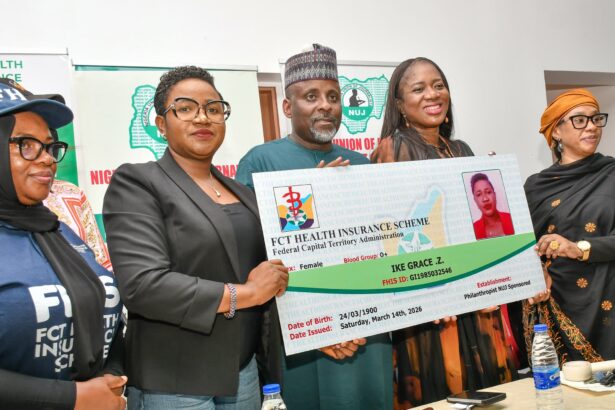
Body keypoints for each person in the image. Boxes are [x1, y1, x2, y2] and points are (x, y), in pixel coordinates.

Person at [103, 66, 289, 409]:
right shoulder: (138, 183)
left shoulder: (242, 192)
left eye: (213, 108)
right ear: (161, 124)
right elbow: (144, 286)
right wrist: (247, 294)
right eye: (185, 108)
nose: (202, 117)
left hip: (243, 372)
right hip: (175, 379)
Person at [236, 44, 393, 410]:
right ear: (287, 107)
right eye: (311, 97)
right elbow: (248, 249)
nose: (325, 106)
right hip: (301, 323)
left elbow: (381, 244)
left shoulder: (360, 164)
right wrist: (313, 196)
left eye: (333, 97)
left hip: (365, 317)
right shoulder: (260, 162)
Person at [371, 57, 527, 408]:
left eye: (438, 85)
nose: (432, 94)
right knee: (445, 389)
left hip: (477, 297)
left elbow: (475, 227)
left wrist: (494, 177)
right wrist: (431, 296)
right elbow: (391, 236)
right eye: (419, 88)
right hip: (432, 308)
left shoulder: (461, 150)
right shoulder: (392, 150)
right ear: (399, 104)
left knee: (494, 394)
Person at [0, 79, 125, 409]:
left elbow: (109, 319)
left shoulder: (58, 230)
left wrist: (111, 378)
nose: (47, 159)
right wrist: (72, 398)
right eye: (26, 145)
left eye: (48, 146)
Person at [524, 88, 614, 363]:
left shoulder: (611, 174)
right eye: (579, 120)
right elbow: (524, 246)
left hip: (609, 296)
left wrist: (579, 248)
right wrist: (536, 273)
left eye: (596, 118)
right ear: (556, 132)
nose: (592, 127)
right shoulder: (536, 186)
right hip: (557, 301)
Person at [470, 172, 515, 240]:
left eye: (488, 192)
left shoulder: (512, 219)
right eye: (479, 194)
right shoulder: (473, 230)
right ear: (475, 200)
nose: (485, 199)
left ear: (494, 195)